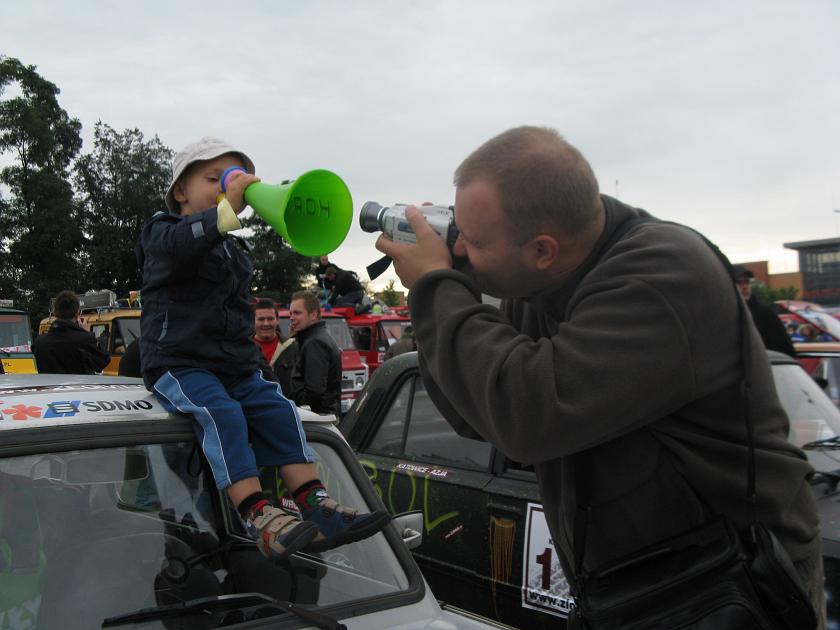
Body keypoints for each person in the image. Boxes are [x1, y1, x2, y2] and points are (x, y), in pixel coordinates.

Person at [376, 126, 824, 625]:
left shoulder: (661, 275)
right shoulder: (546, 280)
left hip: (730, 580)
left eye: (474, 242)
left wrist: (435, 288)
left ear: (543, 249)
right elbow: (478, 416)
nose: (459, 252)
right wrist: (435, 302)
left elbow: (528, 415)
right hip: (640, 581)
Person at [136, 137, 388, 561]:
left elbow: (236, 316)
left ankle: (316, 504)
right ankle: (258, 517)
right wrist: (225, 212)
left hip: (232, 364)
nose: (225, 187)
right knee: (222, 413)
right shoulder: (161, 232)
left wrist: (257, 371)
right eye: (214, 179)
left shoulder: (233, 249)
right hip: (179, 362)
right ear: (181, 191)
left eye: (233, 180)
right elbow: (181, 247)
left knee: (279, 408)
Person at [287, 291, 341, 415]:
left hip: (316, 417)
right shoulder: (316, 338)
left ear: (313, 315)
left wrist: (298, 407)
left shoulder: (315, 342)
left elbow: (314, 392)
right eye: (291, 313)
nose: (291, 317)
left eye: (297, 313)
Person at [32, 290, 110, 374]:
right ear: (77, 313)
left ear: (54, 312)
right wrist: (84, 332)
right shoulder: (85, 340)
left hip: (50, 387)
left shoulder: (39, 343)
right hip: (78, 386)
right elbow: (103, 361)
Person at [733, 266, 796, 357]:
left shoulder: (766, 315)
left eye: (747, 282)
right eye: (740, 283)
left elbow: (786, 350)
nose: (745, 287)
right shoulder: (726, 316)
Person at [252, 299, 298, 394]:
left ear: (277, 320)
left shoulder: (292, 347)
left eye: (270, 319)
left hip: (285, 405)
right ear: (253, 321)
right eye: (261, 319)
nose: (266, 323)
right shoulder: (243, 348)